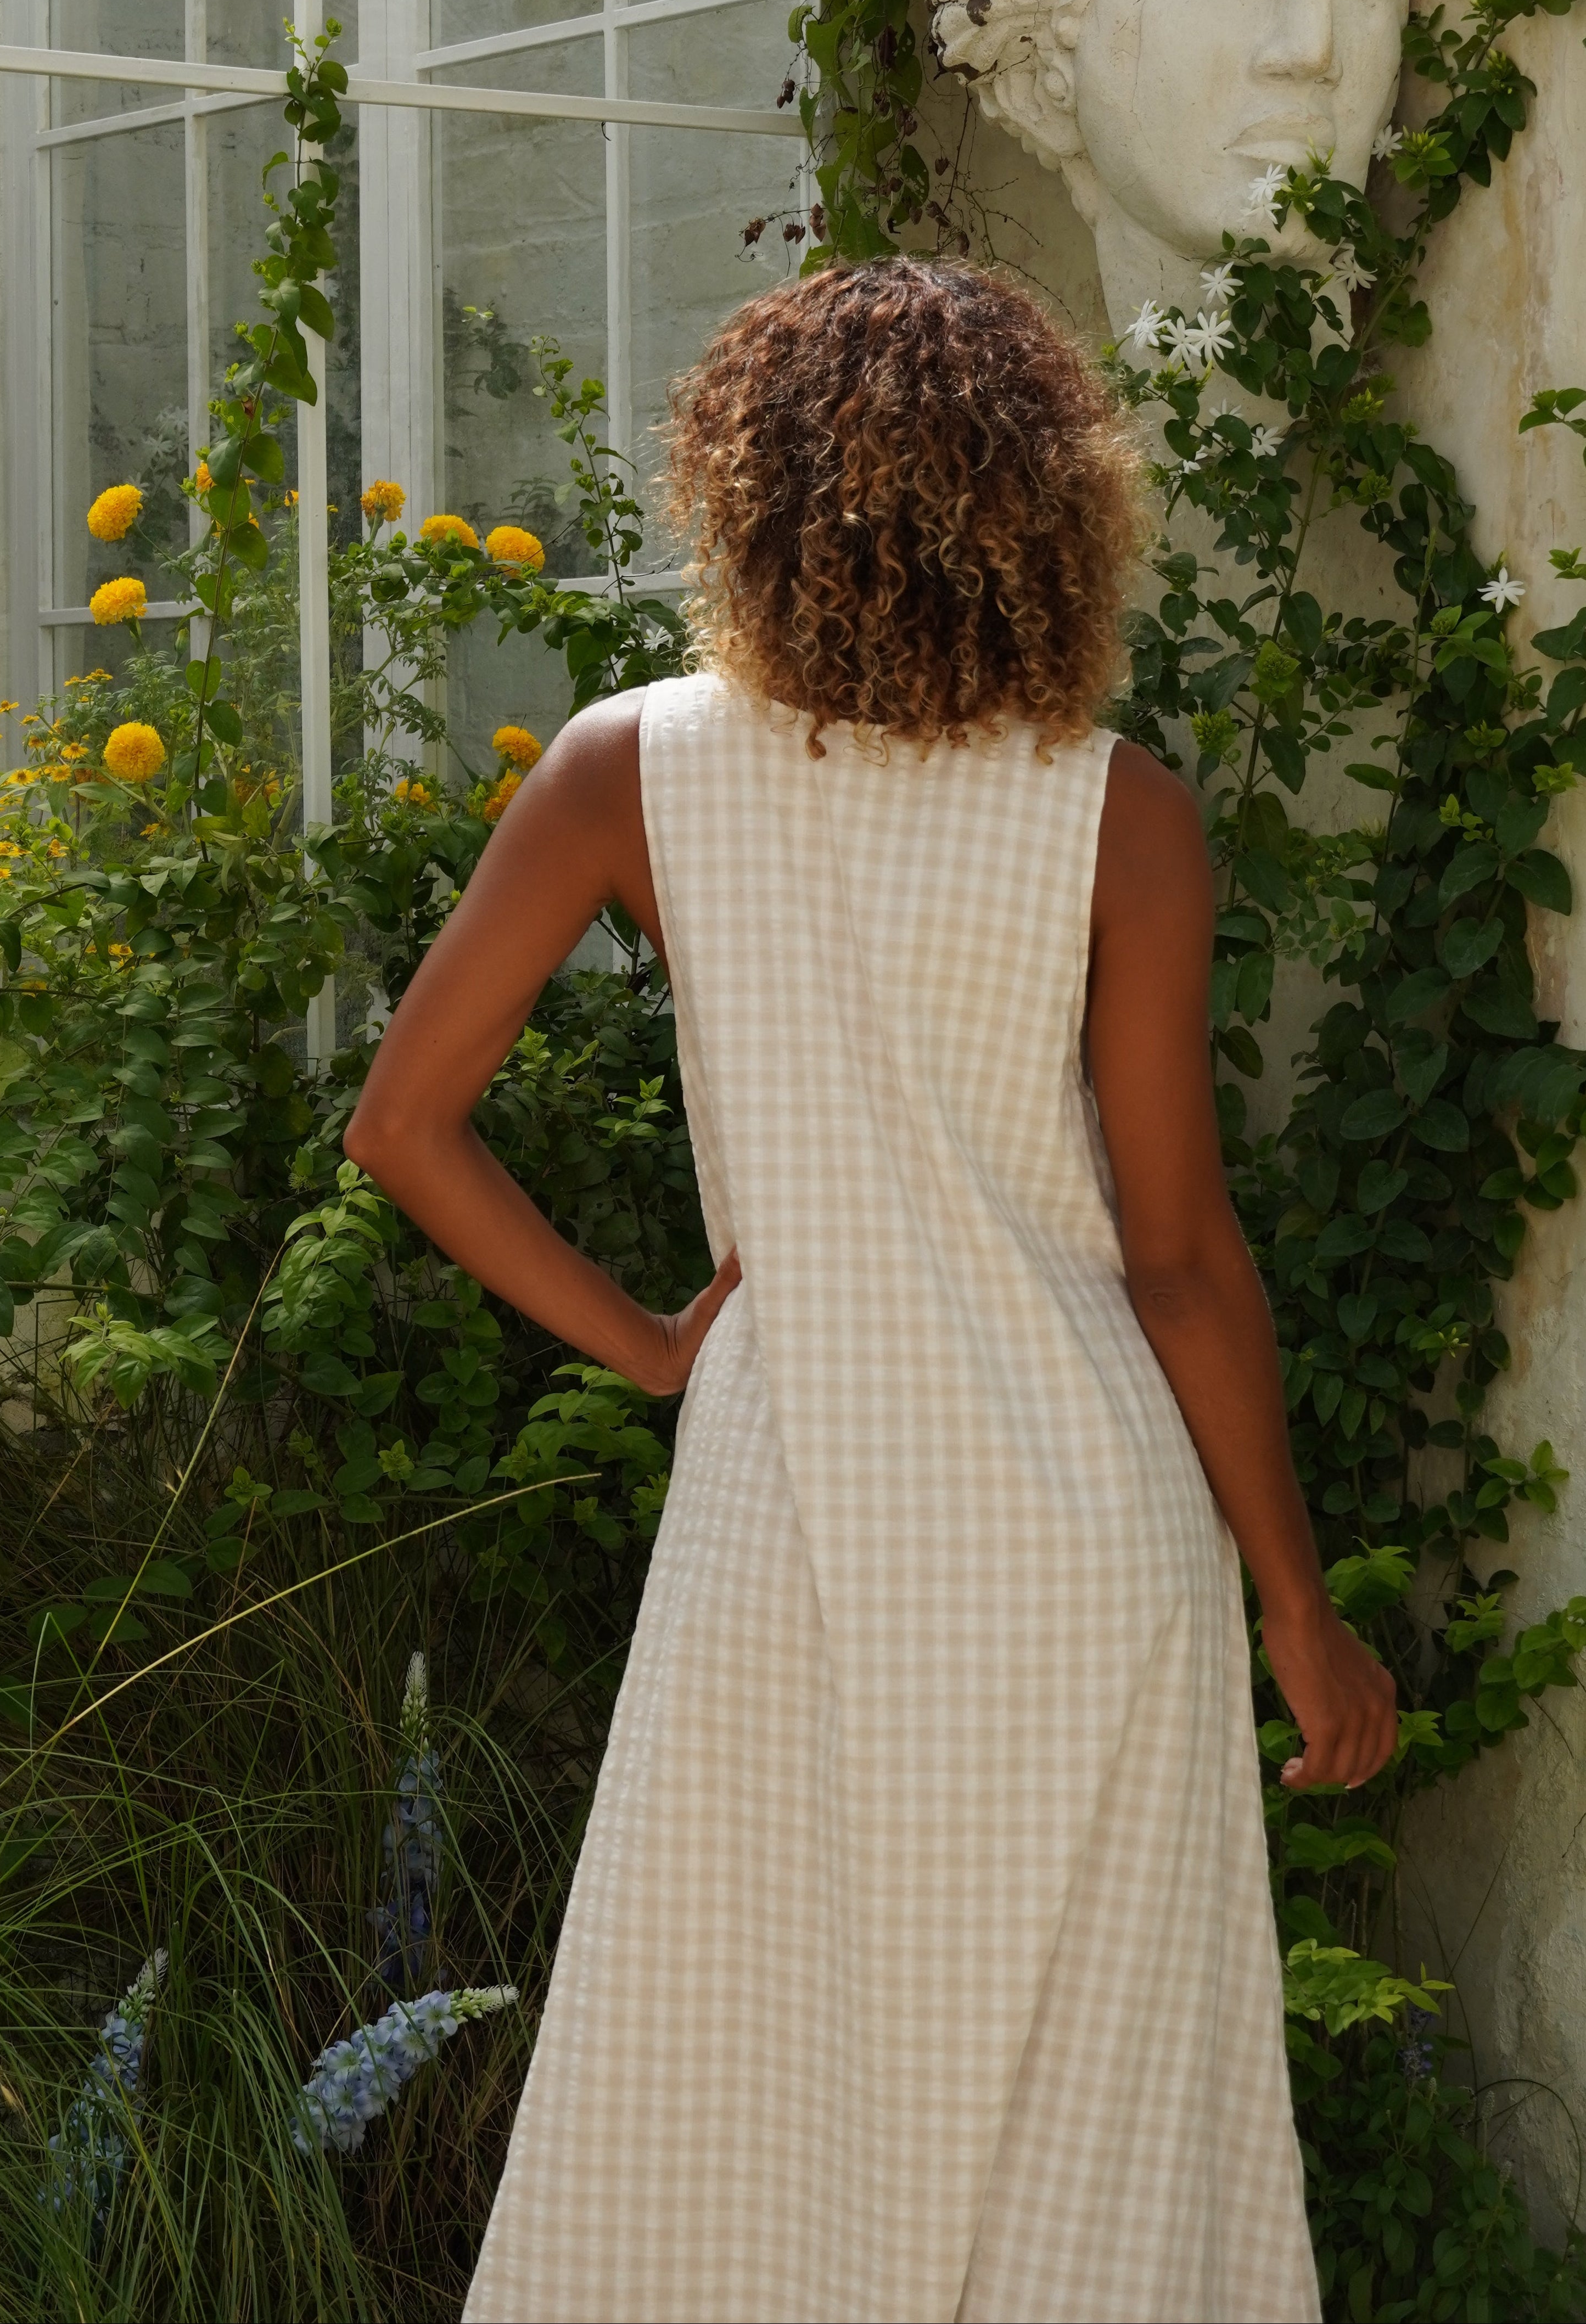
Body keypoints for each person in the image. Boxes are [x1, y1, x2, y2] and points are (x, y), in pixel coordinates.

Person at [345, 259, 1394, 2324]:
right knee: (1097, 2134)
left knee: (746, 2093)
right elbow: (1181, 1259)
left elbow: (403, 1123)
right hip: (1084, 1542)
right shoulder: (1119, 818)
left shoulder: (628, 772)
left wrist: (655, 1345)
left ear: (751, 499)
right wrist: (1298, 1602)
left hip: (793, 1520)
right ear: (1051, 509)